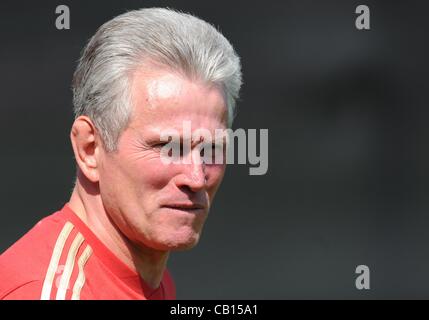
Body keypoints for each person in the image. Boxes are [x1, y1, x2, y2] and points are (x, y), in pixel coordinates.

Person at [0, 7, 242, 300]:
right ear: (89, 148)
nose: (196, 177)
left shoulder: (147, 277)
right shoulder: (48, 292)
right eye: (167, 148)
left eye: (211, 148)